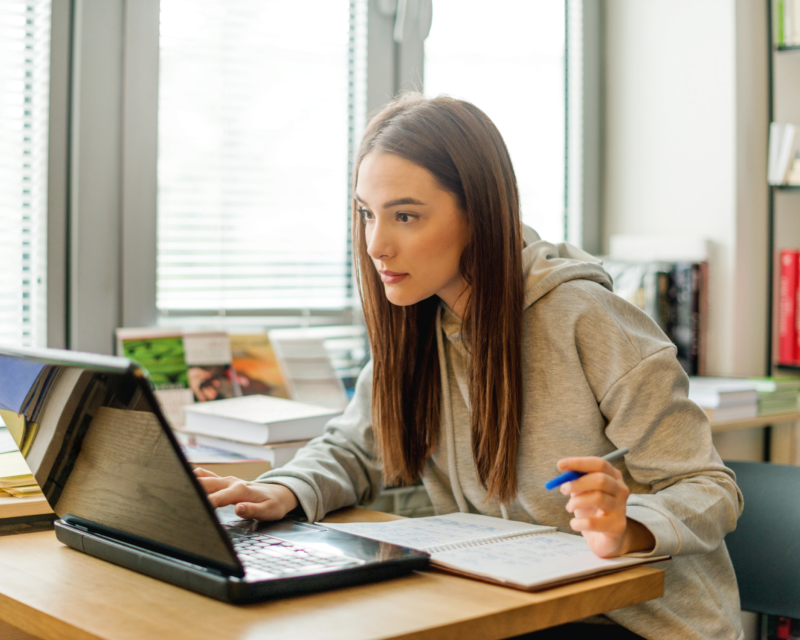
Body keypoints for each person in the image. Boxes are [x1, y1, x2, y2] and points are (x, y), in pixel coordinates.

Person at [195, 94, 744, 640]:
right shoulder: (420, 321)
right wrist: (285, 490)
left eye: (405, 216)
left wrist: (628, 527)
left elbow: (709, 487)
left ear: (479, 212)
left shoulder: (586, 319)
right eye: (367, 213)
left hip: (637, 619)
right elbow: (355, 449)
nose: (376, 245)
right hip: (508, 603)